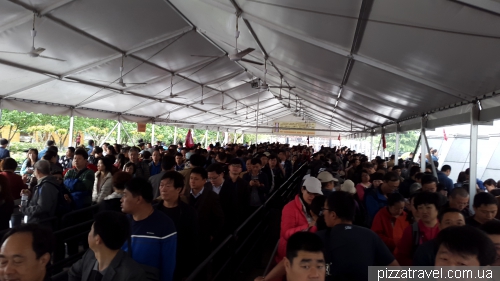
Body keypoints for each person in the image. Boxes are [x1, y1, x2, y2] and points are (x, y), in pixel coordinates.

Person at [318, 191, 398, 281]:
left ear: (333, 215)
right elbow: (396, 271)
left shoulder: (318, 239)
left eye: (324, 209)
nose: (323, 213)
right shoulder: (370, 235)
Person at [121, 177, 177, 281]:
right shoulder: (123, 222)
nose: (121, 199)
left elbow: (168, 264)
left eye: (125, 195)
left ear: (138, 199)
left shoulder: (164, 224)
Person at [68, 211, 145, 281]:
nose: (88, 234)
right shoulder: (90, 255)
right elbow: (73, 273)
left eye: (91, 230)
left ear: (98, 239)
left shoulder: (132, 274)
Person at [155, 171, 200, 281]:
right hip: (155, 263)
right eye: (161, 185)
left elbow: (193, 242)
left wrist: (188, 270)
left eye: (168, 186)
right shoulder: (153, 210)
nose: (163, 189)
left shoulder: (189, 212)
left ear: (178, 189)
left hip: (179, 263)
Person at [276, 177, 322, 264]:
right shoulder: (289, 208)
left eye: (315, 194)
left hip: (307, 252)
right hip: (290, 253)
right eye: (309, 192)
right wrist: (309, 227)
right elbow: (286, 234)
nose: (312, 197)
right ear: (302, 189)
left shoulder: (318, 206)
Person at [187, 167, 224, 259]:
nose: (192, 181)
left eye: (196, 179)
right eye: (191, 178)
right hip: (187, 237)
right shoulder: (184, 195)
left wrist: (212, 235)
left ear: (204, 181)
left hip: (203, 237)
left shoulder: (212, 196)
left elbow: (219, 218)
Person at [395, 192, 441, 266]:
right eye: (420, 208)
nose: (424, 211)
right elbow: (402, 257)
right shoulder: (411, 231)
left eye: (428, 207)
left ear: (437, 208)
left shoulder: (445, 229)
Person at [207, 160, 251, 232]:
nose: (211, 180)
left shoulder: (239, 185)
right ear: (229, 167)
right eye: (209, 178)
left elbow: (242, 204)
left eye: (214, 178)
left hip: (226, 223)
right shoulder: (206, 186)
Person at [20, 160, 60, 226]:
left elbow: (42, 208)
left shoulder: (46, 185)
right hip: (39, 221)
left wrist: (24, 209)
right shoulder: (46, 183)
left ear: (37, 171)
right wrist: (31, 195)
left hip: (40, 224)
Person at [1, 158, 25, 227]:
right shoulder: (17, 178)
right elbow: (24, 190)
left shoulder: (1, 176)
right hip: (15, 205)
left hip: (2, 205)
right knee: (16, 226)